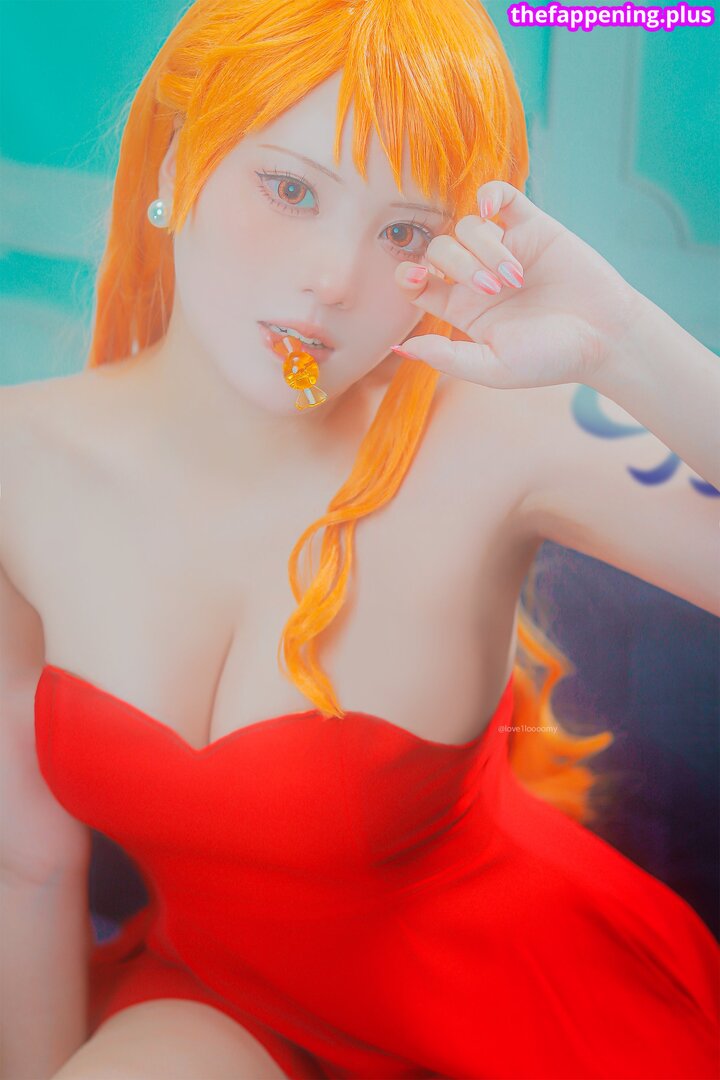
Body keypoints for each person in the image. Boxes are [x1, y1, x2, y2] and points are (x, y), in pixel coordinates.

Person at [1, 0, 718, 1077]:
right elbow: (27, 864)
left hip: (519, 1016)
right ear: (177, 155)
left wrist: (623, 340)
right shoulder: (18, 463)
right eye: (290, 189)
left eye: (407, 233)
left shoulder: (501, 431)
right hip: (222, 1001)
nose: (335, 279)